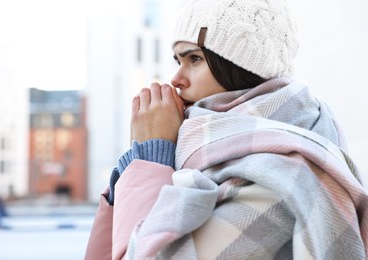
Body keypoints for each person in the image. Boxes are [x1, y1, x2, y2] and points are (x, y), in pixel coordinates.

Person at [85, 0, 368, 259]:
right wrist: (133, 170)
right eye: (177, 60)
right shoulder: (201, 151)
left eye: (194, 59)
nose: (176, 79)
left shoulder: (285, 176)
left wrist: (150, 160)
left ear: (240, 66)